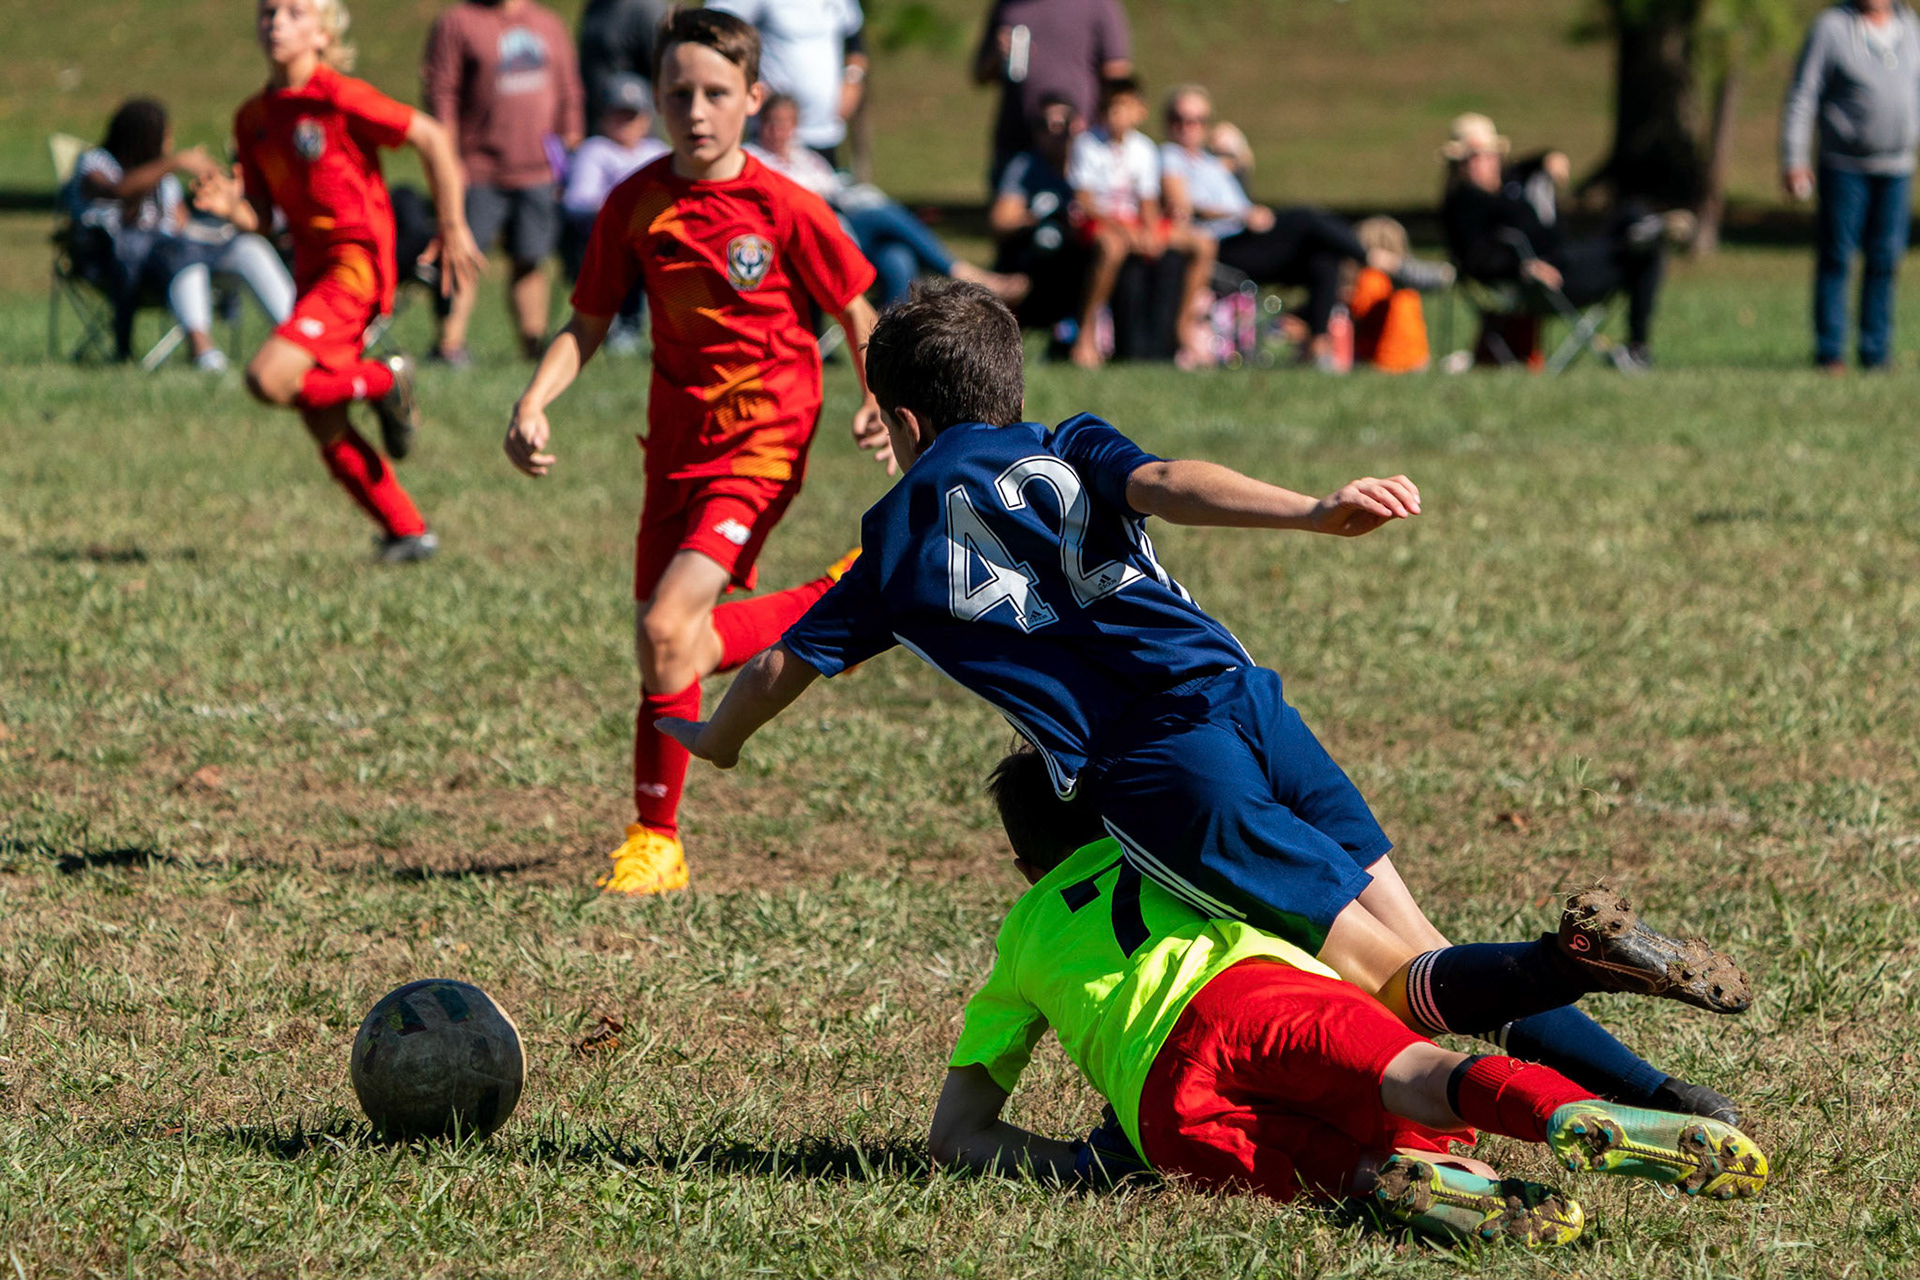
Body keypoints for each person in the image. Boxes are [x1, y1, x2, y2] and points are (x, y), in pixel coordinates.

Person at [663, 281, 1757, 1123]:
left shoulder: (892, 543)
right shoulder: (1064, 441)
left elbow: (774, 668)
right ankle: (1668, 1098)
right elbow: (1173, 481)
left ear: (898, 420)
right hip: (1247, 699)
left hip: (1162, 768)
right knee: (1424, 944)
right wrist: (1312, 509)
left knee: (1397, 985)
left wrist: (715, 740)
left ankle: (1579, 959)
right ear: (1009, 389)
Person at [924, 747, 1769, 1247]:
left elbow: (956, 1132)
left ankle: (1402, 1178)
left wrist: (1083, 1164)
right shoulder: (1180, 850)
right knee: (1424, 1069)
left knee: (1324, 1168)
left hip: (1159, 1101)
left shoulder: (1020, 938)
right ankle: (1567, 1113)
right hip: (1255, 997)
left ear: (1025, 871)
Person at [502, 8, 891, 896]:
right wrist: (533, 399)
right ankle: (838, 601)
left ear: (753, 97)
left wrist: (874, 397)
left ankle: (655, 839)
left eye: (717, 93)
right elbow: (587, 323)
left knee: (665, 629)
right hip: (673, 447)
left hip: (765, 437)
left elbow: (856, 309)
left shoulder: (786, 206)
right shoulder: (634, 201)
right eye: (679, 92)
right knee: (664, 650)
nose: (696, 110)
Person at [193, 0, 481, 564]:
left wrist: (450, 225)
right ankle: (407, 531)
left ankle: (382, 381)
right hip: (310, 273)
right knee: (318, 410)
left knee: (267, 379)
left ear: (323, 34)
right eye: (268, 11)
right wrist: (234, 208)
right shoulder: (252, 117)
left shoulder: (337, 95)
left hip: (356, 267)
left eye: (295, 12)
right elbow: (265, 215)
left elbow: (432, 137)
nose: (276, 22)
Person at [1158, 86, 1450, 369]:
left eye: (1198, 120)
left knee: (1324, 256)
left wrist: (1236, 152)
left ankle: (1319, 348)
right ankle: (1383, 262)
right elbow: (1181, 203)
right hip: (1218, 248)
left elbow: (1242, 160)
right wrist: (1241, 214)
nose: (1189, 126)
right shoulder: (1169, 157)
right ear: (1168, 123)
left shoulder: (1212, 163)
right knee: (1304, 217)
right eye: (1180, 119)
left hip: (1247, 240)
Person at [62, 98, 295, 371]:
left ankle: (299, 338)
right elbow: (119, 190)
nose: (169, 142)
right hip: (120, 263)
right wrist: (176, 162)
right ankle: (202, 350)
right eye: (166, 135)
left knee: (249, 248)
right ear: (144, 135)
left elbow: (182, 225)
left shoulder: (164, 178)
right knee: (183, 256)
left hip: (176, 254)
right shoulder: (95, 163)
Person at [1440, 113, 1674, 371]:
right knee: (1643, 255)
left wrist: (1548, 159)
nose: (1488, 162)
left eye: (1491, 154)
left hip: (1565, 255)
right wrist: (1522, 267)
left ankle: (1642, 228)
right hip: (1551, 278)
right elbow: (1475, 259)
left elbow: (1526, 166)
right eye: (1476, 157)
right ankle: (1637, 345)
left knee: (1631, 213)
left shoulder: (1505, 186)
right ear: (1459, 164)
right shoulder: (1465, 204)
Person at [748, 92, 1026, 309]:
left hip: (841, 231)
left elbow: (840, 190)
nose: (778, 130)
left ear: (795, 126)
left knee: (897, 257)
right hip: (806, 238)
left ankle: (886, 342)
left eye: (785, 123)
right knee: (881, 214)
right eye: (772, 122)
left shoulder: (807, 159)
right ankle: (963, 272)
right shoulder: (754, 159)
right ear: (761, 123)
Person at [424, 0, 586, 363]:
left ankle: (532, 348)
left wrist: (571, 146)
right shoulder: (458, 23)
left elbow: (569, 93)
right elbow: (441, 95)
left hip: (539, 170)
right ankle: (449, 345)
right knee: (462, 257)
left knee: (531, 259)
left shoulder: (548, 24)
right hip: (477, 167)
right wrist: (447, 161)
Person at [1780, 0, 1920, 372]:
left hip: (1897, 166)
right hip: (1844, 165)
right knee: (1837, 256)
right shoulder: (1832, 28)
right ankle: (1830, 352)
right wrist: (1795, 158)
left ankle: (1876, 352)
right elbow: (1803, 94)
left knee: (1886, 258)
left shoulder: (1911, 28)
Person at [1065, 76, 1214, 368]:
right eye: (1109, 108)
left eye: (1123, 107)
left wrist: (1148, 231)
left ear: (1139, 111)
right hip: (1101, 222)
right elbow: (1084, 202)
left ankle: (1183, 326)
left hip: (1132, 222)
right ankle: (1087, 331)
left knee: (1203, 243)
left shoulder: (1144, 149)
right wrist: (1124, 229)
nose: (1115, 115)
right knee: (1112, 249)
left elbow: (1147, 202)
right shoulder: (1087, 144)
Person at [974, 0, 1132, 190]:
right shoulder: (1008, 5)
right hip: (1018, 138)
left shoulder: (1098, 4)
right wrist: (996, 54)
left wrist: (1105, 128)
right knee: (1009, 214)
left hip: (1080, 140)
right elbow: (979, 74)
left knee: (1079, 212)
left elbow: (1116, 72)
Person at [561, 72, 668, 347]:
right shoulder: (595, 150)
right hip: (604, 236)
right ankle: (618, 323)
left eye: (631, 116)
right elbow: (578, 201)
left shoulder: (658, 152)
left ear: (646, 119)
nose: (625, 124)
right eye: (618, 115)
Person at [709, 0, 867, 167]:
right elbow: (717, 28)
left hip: (824, 133)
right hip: (771, 138)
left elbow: (854, 38)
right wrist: (747, 81)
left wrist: (853, 78)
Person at [989, 93, 1087, 332]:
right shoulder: (1025, 167)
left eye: (1062, 124)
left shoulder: (1091, 160)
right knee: (1047, 240)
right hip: (1039, 252)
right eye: (1044, 125)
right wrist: (1039, 217)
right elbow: (1001, 220)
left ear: (1077, 126)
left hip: (1084, 249)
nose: (1055, 132)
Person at [578, 0, 668, 126]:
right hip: (596, 123)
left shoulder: (646, 9)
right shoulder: (596, 6)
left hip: (632, 125)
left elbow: (664, 71)